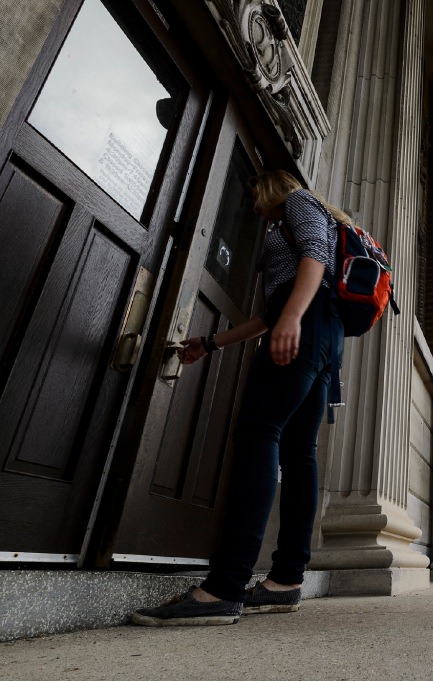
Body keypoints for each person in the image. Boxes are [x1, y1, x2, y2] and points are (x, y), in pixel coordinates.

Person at [132, 170, 346, 625]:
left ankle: (223, 588)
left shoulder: (299, 203)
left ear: (270, 188)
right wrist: (212, 344)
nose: (252, 206)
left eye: (254, 197)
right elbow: (270, 313)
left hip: (308, 325)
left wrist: (292, 319)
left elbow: (315, 259)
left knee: (256, 434)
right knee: (297, 450)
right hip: (321, 332)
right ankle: (286, 580)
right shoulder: (298, 218)